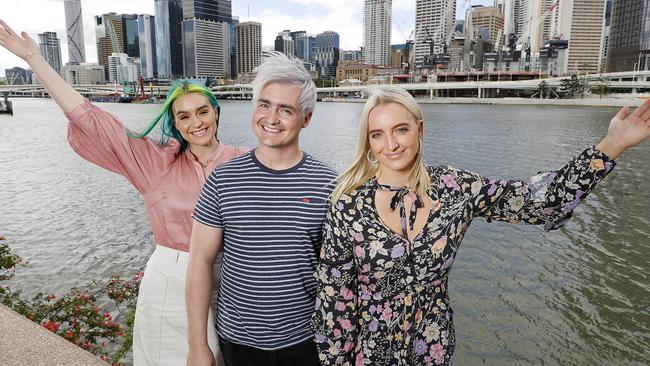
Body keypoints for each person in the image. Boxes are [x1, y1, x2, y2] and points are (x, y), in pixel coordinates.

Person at [311, 86, 650, 366]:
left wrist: (613, 144)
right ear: (369, 142)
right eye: (378, 134)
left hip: (430, 350)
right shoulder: (349, 204)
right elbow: (335, 300)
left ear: (419, 128)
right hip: (366, 355)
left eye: (400, 129)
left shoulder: (455, 187)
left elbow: (539, 200)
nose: (392, 144)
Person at [0, 20, 247, 365]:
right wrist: (36, 61)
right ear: (175, 124)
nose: (196, 123)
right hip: (172, 282)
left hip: (232, 285)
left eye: (203, 111)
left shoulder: (243, 162)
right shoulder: (156, 162)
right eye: (184, 117)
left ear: (216, 113)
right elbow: (94, 122)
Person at [186, 52, 338, 366]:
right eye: (264, 105)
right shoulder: (223, 178)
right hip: (238, 341)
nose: (271, 118)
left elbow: (341, 271)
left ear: (306, 118)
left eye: (286, 110)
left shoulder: (329, 183)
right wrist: (197, 344)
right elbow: (200, 262)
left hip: (307, 341)